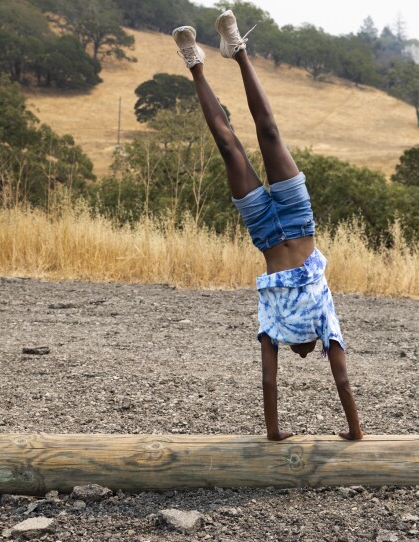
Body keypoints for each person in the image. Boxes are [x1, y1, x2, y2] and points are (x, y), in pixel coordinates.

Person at [172, 11, 364, 441]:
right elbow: (342, 379)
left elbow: (268, 380)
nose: (302, 353)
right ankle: (237, 51)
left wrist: (274, 432)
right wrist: (355, 431)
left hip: (263, 229)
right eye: (305, 351)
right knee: (270, 133)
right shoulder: (325, 324)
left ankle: (195, 64)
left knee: (229, 147)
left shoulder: (274, 327)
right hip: (297, 217)